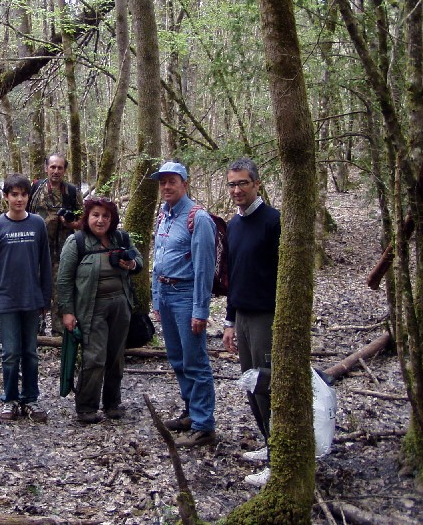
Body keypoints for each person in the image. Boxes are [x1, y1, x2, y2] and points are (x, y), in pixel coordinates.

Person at [221, 158, 281, 487]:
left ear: (257, 184)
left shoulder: (273, 222)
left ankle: (279, 455)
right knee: (249, 382)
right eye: (232, 184)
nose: (237, 190)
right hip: (242, 315)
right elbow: (234, 277)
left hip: (266, 316)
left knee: (266, 385)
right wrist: (229, 321)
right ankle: (268, 441)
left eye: (243, 183)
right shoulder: (234, 225)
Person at [57, 196, 143, 423]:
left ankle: (112, 404)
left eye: (106, 216)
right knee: (94, 357)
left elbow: (139, 262)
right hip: (91, 308)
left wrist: (131, 264)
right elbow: (64, 281)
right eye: (96, 215)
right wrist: (67, 311)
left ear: (112, 218)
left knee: (116, 356)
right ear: (87, 217)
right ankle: (86, 407)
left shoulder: (121, 238)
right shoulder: (77, 242)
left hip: (121, 306)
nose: (101, 220)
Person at [150, 161, 218, 447]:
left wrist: (200, 310)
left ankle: (204, 424)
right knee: (177, 359)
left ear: (184, 184)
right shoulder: (163, 215)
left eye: (172, 181)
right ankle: (191, 412)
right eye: (163, 181)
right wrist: (155, 298)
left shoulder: (198, 218)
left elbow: (204, 268)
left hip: (186, 296)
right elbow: (157, 260)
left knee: (195, 361)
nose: (166, 186)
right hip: (165, 295)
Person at [0, 173, 52, 422]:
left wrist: (46, 298)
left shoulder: (37, 225)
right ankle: (10, 399)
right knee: (10, 353)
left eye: (23, 194)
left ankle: (31, 399)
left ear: (28, 196)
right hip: (6, 300)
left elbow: (45, 263)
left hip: (32, 299)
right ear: (6, 197)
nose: (19, 199)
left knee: (30, 352)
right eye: (14, 194)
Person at [27, 153, 83, 335]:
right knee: (36, 287)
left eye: (60, 167)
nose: (56, 171)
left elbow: (83, 221)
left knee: (61, 289)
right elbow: (23, 214)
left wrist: (71, 224)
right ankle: (35, 329)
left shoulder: (72, 192)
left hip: (63, 251)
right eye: (52, 167)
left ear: (65, 170)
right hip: (36, 250)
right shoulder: (35, 189)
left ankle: (59, 332)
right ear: (46, 168)